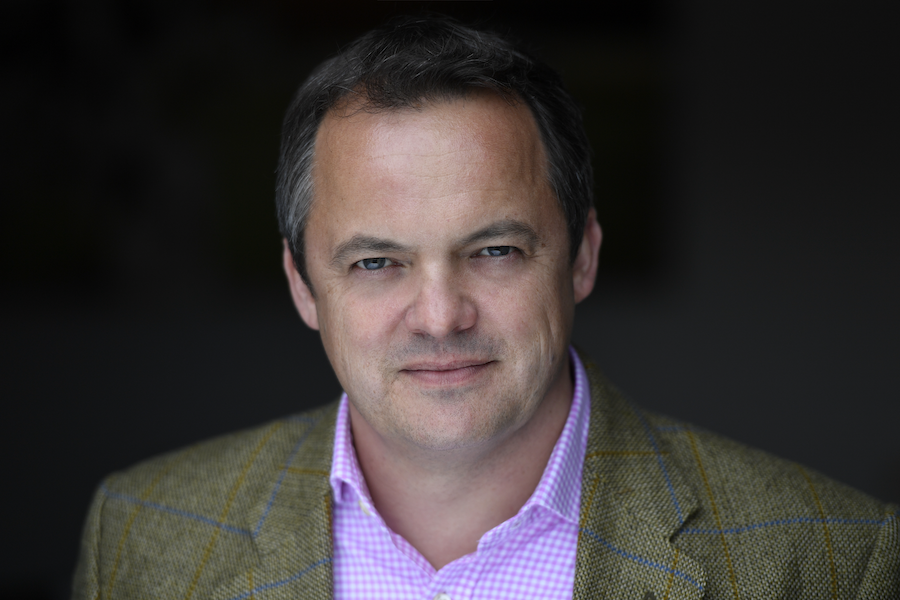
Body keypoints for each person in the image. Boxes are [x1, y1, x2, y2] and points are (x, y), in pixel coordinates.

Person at [73, 15, 898, 600]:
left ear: (582, 256)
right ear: (302, 285)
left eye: (495, 251)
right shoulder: (141, 534)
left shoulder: (833, 560)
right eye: (376, 262)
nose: (440, 316)